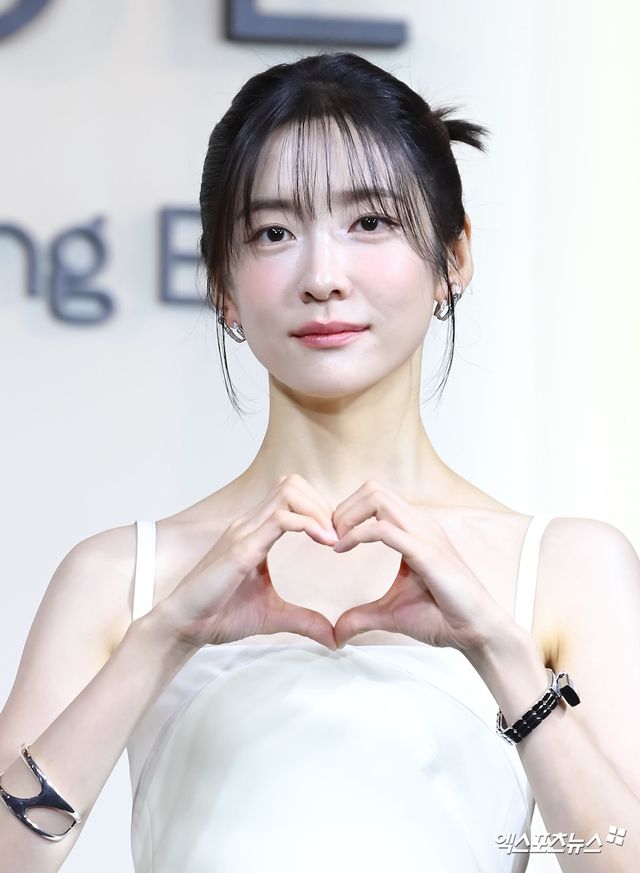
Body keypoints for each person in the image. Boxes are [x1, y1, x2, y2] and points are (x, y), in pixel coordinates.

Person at [1, 51, 639, 873]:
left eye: (369, 222)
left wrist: (503, 655)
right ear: (223, 286)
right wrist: (159, 641)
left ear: (453, 258)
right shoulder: (122, 574)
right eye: (274, 232)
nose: (323, 276)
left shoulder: (566, 566)